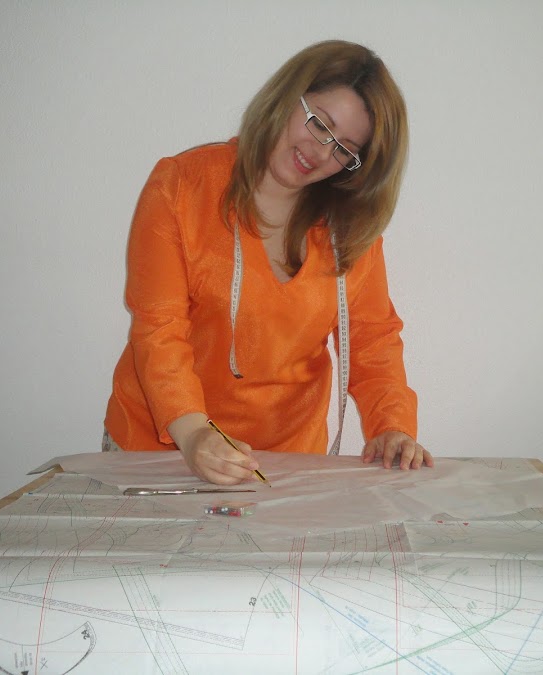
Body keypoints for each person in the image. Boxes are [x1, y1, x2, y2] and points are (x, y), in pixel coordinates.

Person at [104, 40, 433, 485]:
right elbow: (158, 326)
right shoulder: (181, 185)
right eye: (320, 123)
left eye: (344, 149)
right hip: (161, 448)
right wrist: (194, 433)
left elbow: (372, 339)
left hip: (284, 467)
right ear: (288, 95)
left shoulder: (349, 227)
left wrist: (392, 427)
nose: (321, 153)